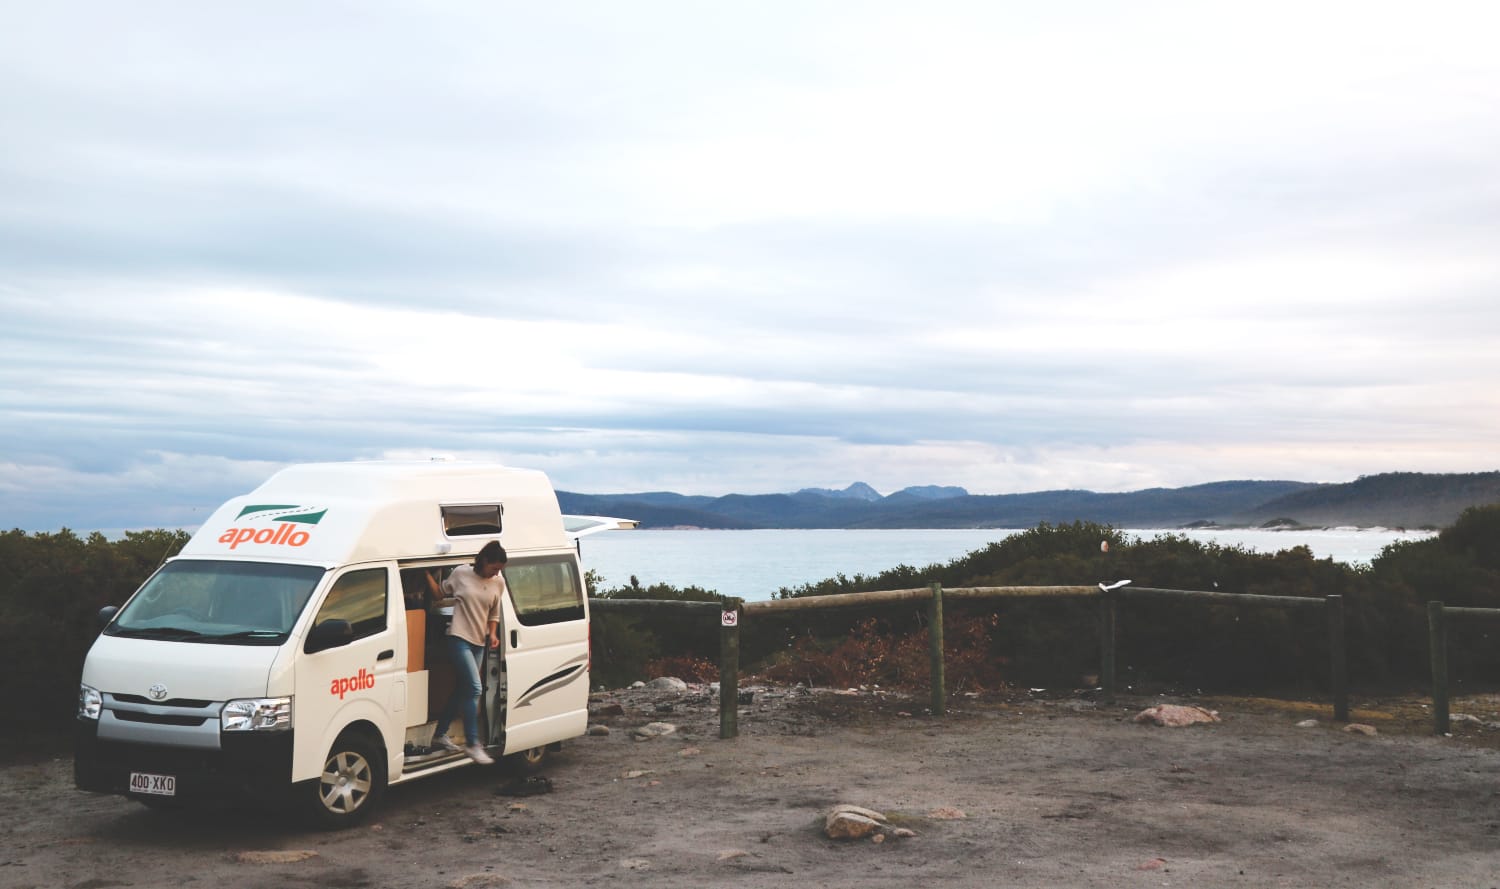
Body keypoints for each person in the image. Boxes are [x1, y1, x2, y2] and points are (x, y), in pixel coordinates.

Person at [431, 541, 506, 764]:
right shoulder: (461, 573)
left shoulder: (498, 582)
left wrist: (492, 634)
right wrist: (426, 573)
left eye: (500, 569)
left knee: (462, 689)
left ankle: (439, 734)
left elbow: (494, 613)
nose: (497, 572)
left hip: (479, 641)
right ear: (484, 561)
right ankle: (473, 744)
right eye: (495, 567)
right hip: (458, 638)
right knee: (474, 688)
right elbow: (438, 593)